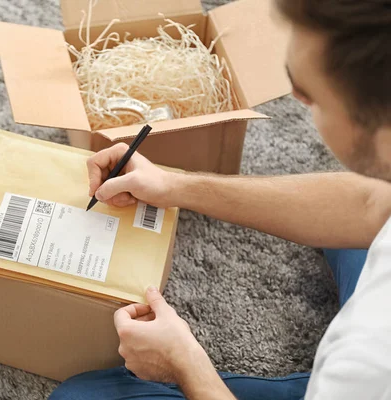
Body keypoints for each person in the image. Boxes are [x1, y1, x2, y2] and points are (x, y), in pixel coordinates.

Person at [50, 0, 391, 399]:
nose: (294, 97)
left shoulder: (368, 363)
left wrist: (183, 361)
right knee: (353, 229)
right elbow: (373, 205)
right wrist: (174, 184)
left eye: (309, 94)